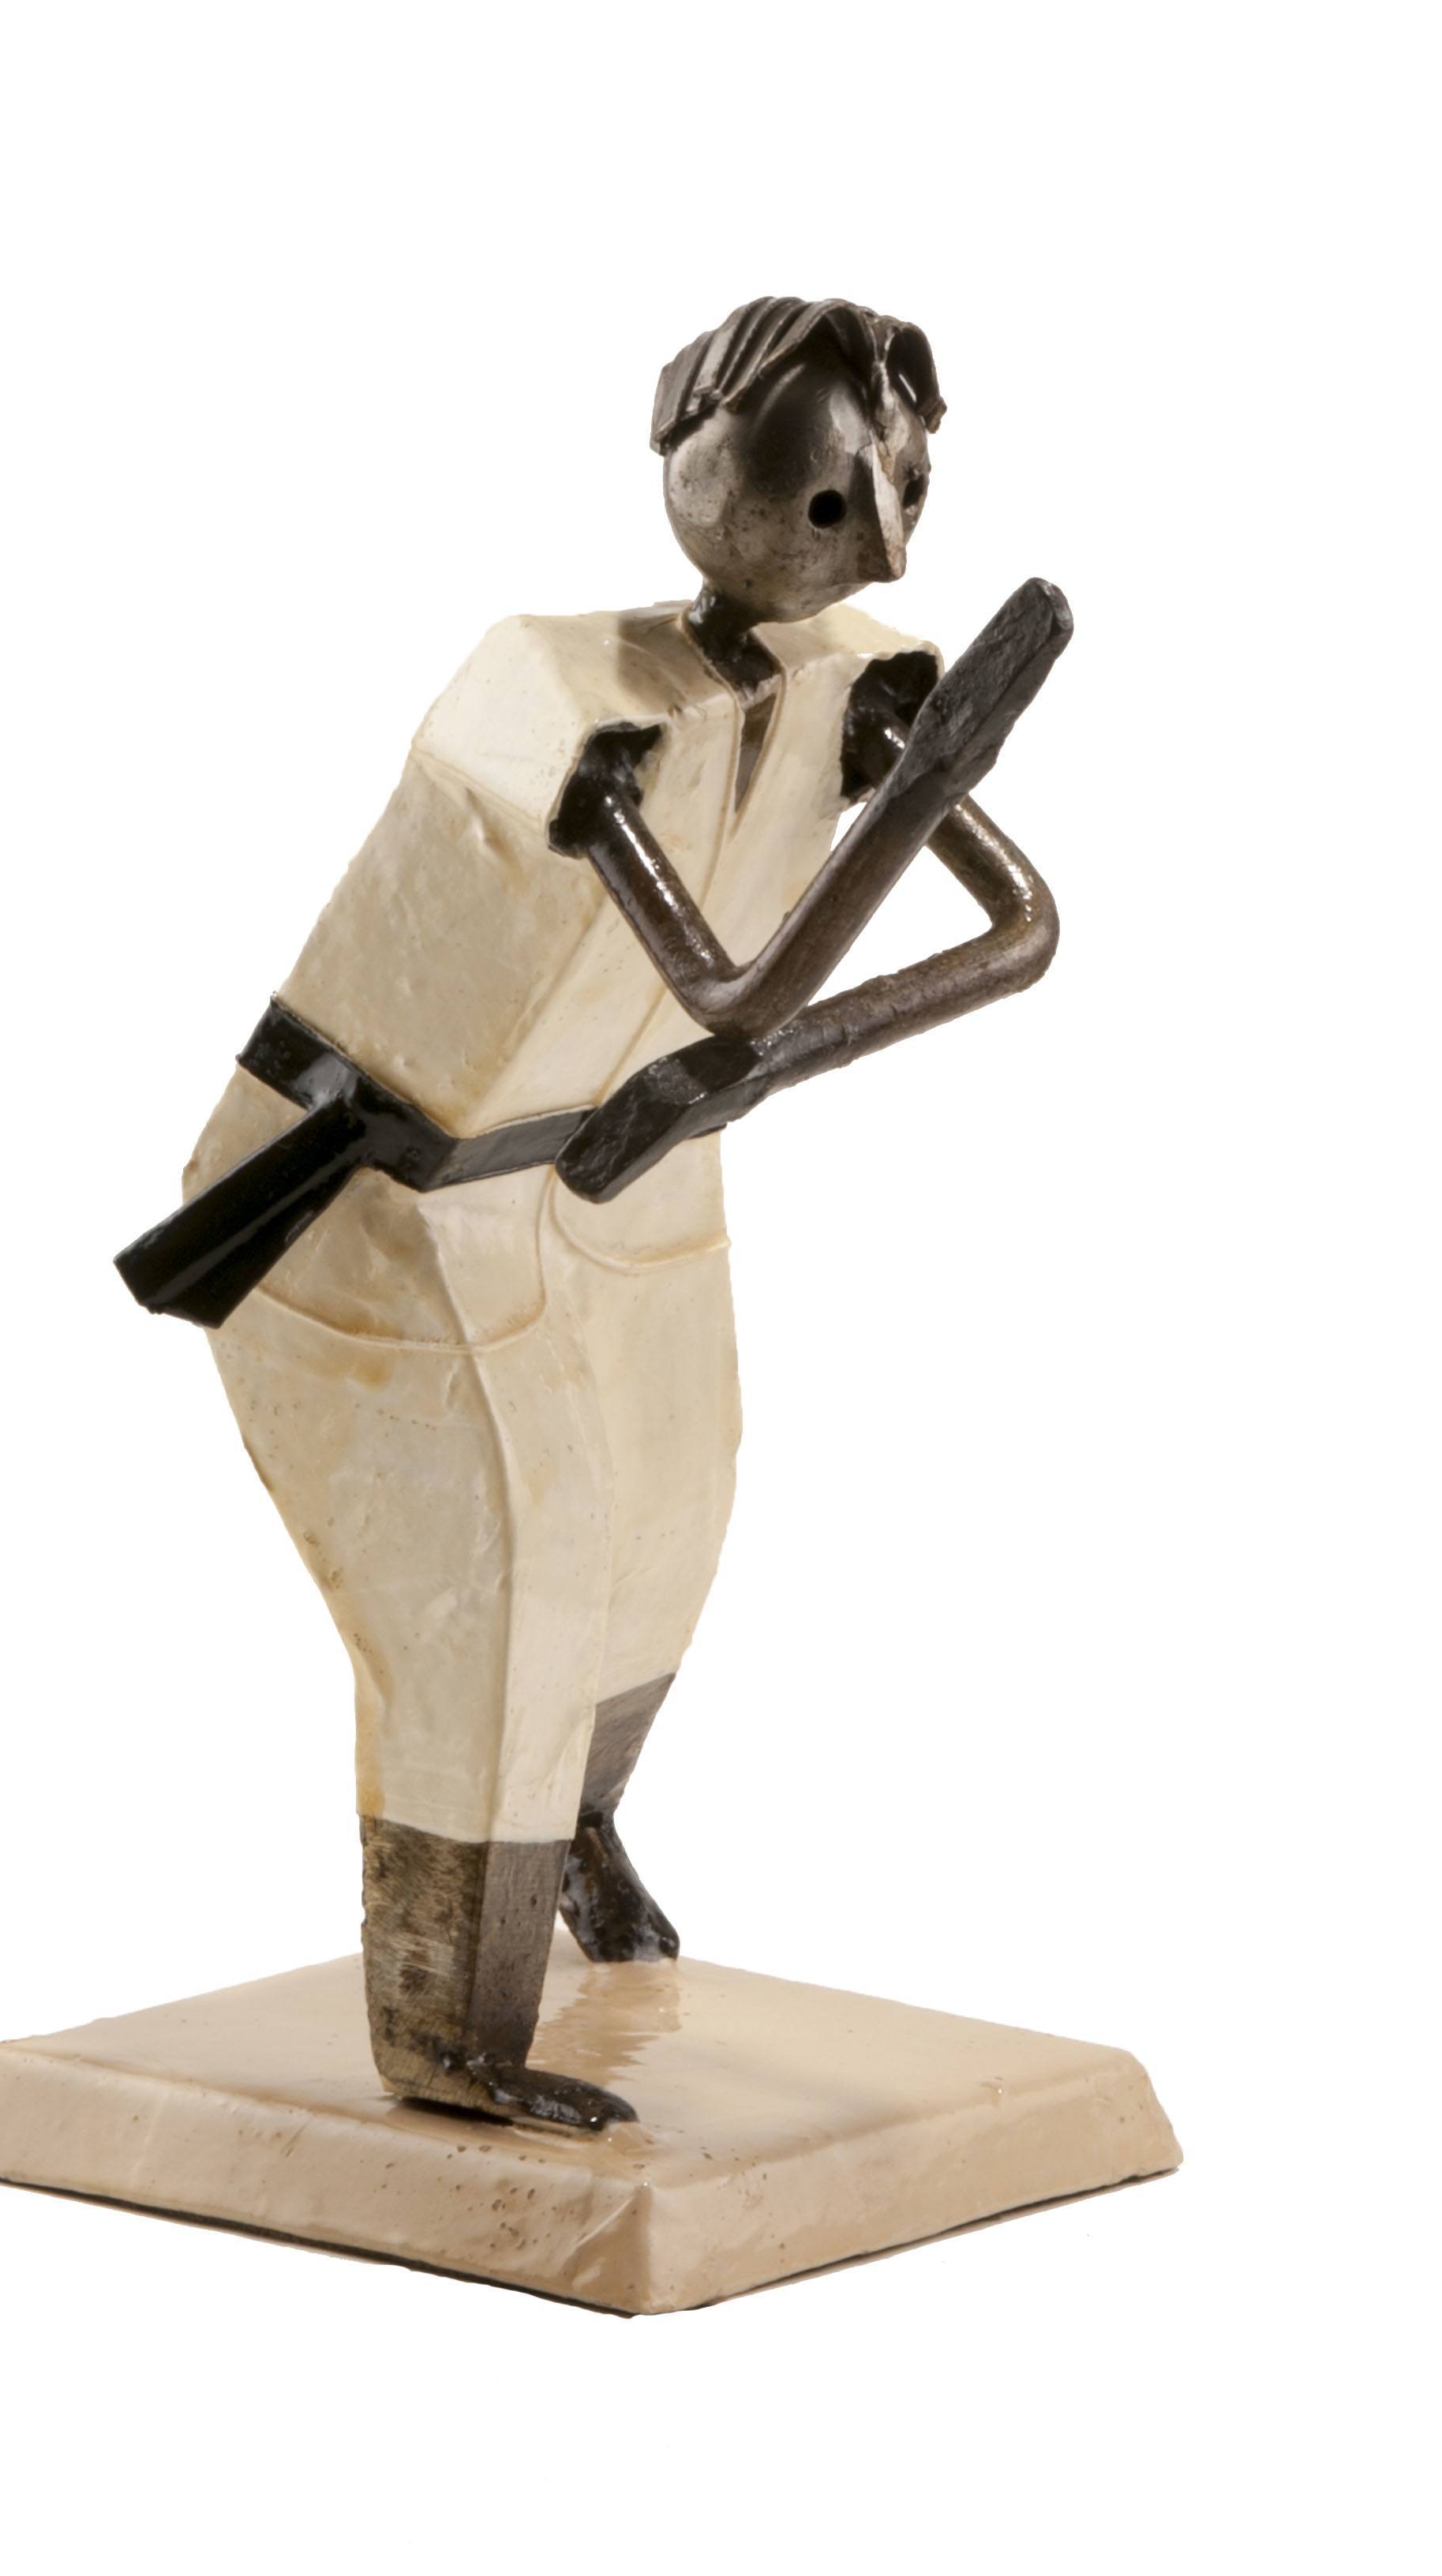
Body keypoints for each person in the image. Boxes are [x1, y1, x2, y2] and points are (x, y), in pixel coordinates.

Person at [175, 296, 1060, 2127]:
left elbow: (1021, 931)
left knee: (667, 1505)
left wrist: (760, 1054)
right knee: (502, 1575)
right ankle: (448, 2027)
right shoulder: (548, 704)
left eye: (895, 497)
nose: (876, 549)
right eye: (830, 500)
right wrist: (902, 814)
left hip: (617, 1151)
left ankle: (568, 1832)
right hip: (373, 1188)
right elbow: (731, 985)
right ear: (701, 455)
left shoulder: (848, 673)